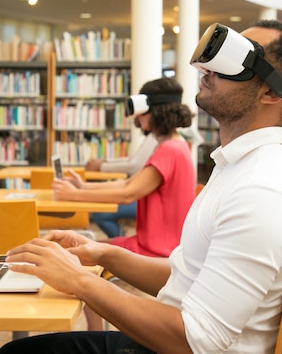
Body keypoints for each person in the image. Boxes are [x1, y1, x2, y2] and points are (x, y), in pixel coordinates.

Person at [0, 19, 282, 354]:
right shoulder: (238, 169)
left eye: (235, 60)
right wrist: (103, 253)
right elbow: (187, 275)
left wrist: (81, 281)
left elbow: (196, 341)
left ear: (271, 92)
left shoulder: (262, 192)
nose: (207, 69)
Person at [53, 76, 196, 257]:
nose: (137, 116)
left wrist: (74, 195)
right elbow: (126, 184)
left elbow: (129, 194)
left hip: (156, 251)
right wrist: (84, 186)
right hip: (154, 245)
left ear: (158, 112)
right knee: (74, 248)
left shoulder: (170, 149)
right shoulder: (174, 144)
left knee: (71, 254)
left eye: (142, 111)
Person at [85, 119, 159, 238]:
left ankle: (122, 242)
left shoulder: (157, 140)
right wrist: (103, 163)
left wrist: (101, 166)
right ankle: (122, 241)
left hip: (145, 198)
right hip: (140, 193)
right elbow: (132, 162)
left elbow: (134, 166)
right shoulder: (155, 138)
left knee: (101, 215)